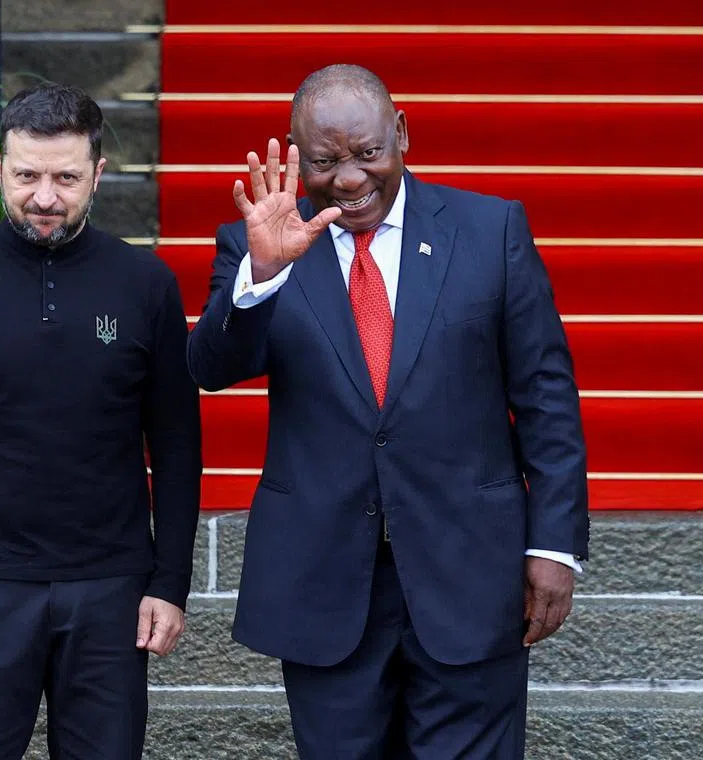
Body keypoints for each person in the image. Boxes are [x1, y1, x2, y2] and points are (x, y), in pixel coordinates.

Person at [187, 64, 589, 759]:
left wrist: (553, 545)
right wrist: (264, 275)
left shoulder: (489, 229)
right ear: (296, 154)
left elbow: (545, 396)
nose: (349, 179)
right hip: (324, 579)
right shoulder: (261, 242)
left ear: (401, 133)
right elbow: (211, 369)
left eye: (368, 152)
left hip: (469, 570)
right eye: (324, 161)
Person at [0, 82, 202, 760]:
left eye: (66, 178)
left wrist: (169, 583)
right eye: (26, 176)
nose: (45, 197)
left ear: (98, 174)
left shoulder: (146, 285)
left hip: (111, 591)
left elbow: (175, 443)